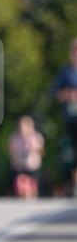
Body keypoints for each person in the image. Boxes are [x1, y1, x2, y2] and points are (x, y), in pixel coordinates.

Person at [51, 38, 77, 195]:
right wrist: (68, 95)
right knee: (71, 153)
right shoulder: (65, 73)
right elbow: (55, 94)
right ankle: (71, 184)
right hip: (70, 119)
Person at [8, 115, 44, 198]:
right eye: (21, 126)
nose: (23, 128)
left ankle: (32, 198)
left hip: (33, 166)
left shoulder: (36, 137)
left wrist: (34, 148)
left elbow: (41, 152)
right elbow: (11, 151)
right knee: (20, 184)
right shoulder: (15, 137)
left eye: (25, 126)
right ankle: (22, 197)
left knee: (32, 187)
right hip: (19, 166)